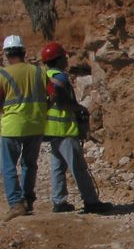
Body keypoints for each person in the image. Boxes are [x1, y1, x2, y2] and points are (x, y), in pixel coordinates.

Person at [40, 42, 112, 214]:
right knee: (78, 167)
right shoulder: (61, 77)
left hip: (50, 129)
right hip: (64, 128)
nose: (67, 60)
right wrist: (80, 109)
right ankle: (91, 202)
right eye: (64, 57)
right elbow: (63, 102)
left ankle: (59, 201)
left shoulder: (44, 76)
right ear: (58, 60)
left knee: (57, 167)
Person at [0, 35, 47, 221]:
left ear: (6, 53)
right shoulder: (38, 71)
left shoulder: (3, 74)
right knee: (30, 164)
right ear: (23, 52)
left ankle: (15, 204)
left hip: (12, 126)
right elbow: (52, 94)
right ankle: (28, 199)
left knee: (8, 166)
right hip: (36, 125)